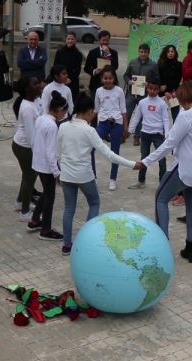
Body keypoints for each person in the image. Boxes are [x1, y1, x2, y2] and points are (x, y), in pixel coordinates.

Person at [135, 80, 192, 263]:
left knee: (160, 198)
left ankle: (162, 247)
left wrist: (146, 161)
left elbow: (168, 143)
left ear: (184, 98)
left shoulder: (186, 117)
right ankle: (190, 247)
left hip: (185, 167)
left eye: (180, 100)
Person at [59, 93, 136, 255]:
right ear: (88, 112)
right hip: (84, 175)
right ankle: (87, 241)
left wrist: (57, 171)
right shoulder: (89, 130)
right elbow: (109, 154)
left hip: (66, 174)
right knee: (94, 203)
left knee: (69, 209)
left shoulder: (63, 126)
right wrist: (132, 164)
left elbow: (57, 151)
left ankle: (67, 245)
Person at [28, 91, 67, 240]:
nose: (64, 115)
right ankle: (46, 230)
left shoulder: (41, 119)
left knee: (46, 192)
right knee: (50, 196)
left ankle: (35, 219)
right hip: (46, 166)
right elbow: (51, 152)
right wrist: (57, 172)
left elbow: (33, 140)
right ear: (59, 110)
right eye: (64, 111)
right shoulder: (52, 126)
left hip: (37, 162)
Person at [127, 78, 171, 189]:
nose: (152, 91)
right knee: (144, 157)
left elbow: (166, 119)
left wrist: (167, 134)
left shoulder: (162, 103)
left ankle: (162, 183)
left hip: (158, 134)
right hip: (145, 134)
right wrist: (129, 131)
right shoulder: (142, 102)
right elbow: (136, 117)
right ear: (147, 88)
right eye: (150, 88)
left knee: (161, 158)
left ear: (158, 90)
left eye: (155, 89)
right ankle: (141, 181)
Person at [12, 77, 42, 221]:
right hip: (24, 146)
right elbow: (31, 136)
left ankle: (19, 202)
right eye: (35, 84)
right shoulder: (27, 108)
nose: (39, 85)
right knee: (30, 176)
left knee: (27, 176)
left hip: (26, 145)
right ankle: (24, 212)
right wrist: (39, 153)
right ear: (26, 89)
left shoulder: (35, 101)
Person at [93, 66, 127, 191]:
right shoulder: (98, 91)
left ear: (114, 79)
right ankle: (94, 177)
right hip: (102, 123)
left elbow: (123, 111)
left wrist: (125, 128)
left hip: (116, 123)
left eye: (110, 78)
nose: (107, 80)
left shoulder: (119, 91)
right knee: (91, 148)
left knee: (114, 152)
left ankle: (113, 179)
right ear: (102, 79)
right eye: (105, 78)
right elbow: (96, 110)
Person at [123, 43, 159, 146]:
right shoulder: (132, 62)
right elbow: (126, 75)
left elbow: (157, 79)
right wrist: (128, 81)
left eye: (145, 52)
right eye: (141, 52)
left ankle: (137, 136)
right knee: (126, 114)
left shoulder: (153, 64)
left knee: (140, 116)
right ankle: (123, 133)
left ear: (148, 53)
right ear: (139, 52)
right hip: (131, 93)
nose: (143, 54)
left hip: (144, 95)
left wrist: (149, 83)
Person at [84, 30, 118, 96]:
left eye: (107, 40)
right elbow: (86, 68)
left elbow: (115, 66)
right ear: (99, 40)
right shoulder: (92, 52)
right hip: (95, 83)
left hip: (110, 83)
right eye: (103, 40)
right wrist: (94, 71)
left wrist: (108, 54)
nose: (105, 42)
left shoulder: (113, 53)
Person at [53, 32, 83, 99]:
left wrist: (69, 79)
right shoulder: (59, 52)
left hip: (72, 82)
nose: (70, 41)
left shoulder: (78, 54)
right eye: (68, 39)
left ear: (75, 40)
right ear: (66, 40)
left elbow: (77, 69)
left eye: (72, 39)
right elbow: (55, 66)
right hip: (60, 81)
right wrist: (60, 78)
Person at [157, 44, 182, 121]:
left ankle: (175, 132)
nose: (170, 53)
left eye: (172, 51)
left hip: (173, 93)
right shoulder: (160, 64)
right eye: (168, 52)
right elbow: (158, 78)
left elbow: (177, 80)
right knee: (161, 116)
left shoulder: (179, 65)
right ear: (165, 53)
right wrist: (164, 92)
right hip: (162, 94)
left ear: (175, 53)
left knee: (176, 116)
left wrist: (167, 87)